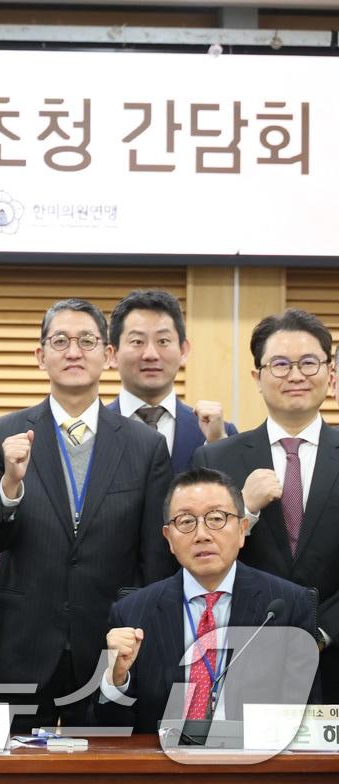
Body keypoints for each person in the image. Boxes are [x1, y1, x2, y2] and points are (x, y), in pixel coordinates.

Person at [0, 298, 173, 729]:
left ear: (107, 355)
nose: (73, 351)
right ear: (40, 355)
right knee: (15, 767)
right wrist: (10, 484)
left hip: (109, 642)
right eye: (60, 340)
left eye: (87, 341)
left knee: (107, 768)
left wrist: (135, 632)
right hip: (21, 640)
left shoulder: (145, 447)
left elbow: (154, 560)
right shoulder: (0, 436)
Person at [96, 468, 319, 732]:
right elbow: (108, 730)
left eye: (216, 518)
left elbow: (306, 719)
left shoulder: (287, 606)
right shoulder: (132, 614)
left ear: (241, 530)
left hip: (254, 767)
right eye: (186, 521)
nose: (202, 534)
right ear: (169, 538)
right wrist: (116, 678)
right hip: (163, 766)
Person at [192, 308, 339, 703]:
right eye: (280, 364)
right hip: (242, 653)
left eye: (309, 362)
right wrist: (246, 513)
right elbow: (193, 557)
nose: (295, 375)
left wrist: (321, 632)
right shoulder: (215, 460)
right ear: (257, 377)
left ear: (331, 372)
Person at [106, 289, 236, 473]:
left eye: (163, 341)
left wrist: (218, 445)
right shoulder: (92, 431)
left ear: (183, 351)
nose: (151, 354)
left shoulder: (221, 433)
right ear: (112, 354)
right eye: (137, 341)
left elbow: (235, 497)